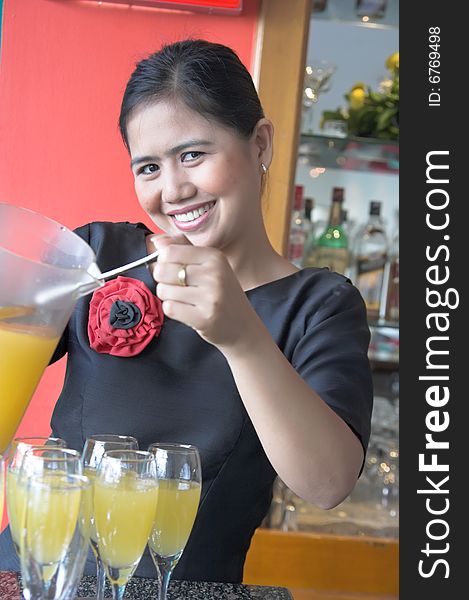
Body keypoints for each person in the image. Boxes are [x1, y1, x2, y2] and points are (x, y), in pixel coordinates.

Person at [0, 39, 373, 582]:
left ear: (260, 143)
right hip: (33, 578)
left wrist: (242, 336)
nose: (172, 189)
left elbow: (328, 484)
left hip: (190, 592)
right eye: (148, 167)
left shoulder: (319, 306)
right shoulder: (97, 257)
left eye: (193, 154)